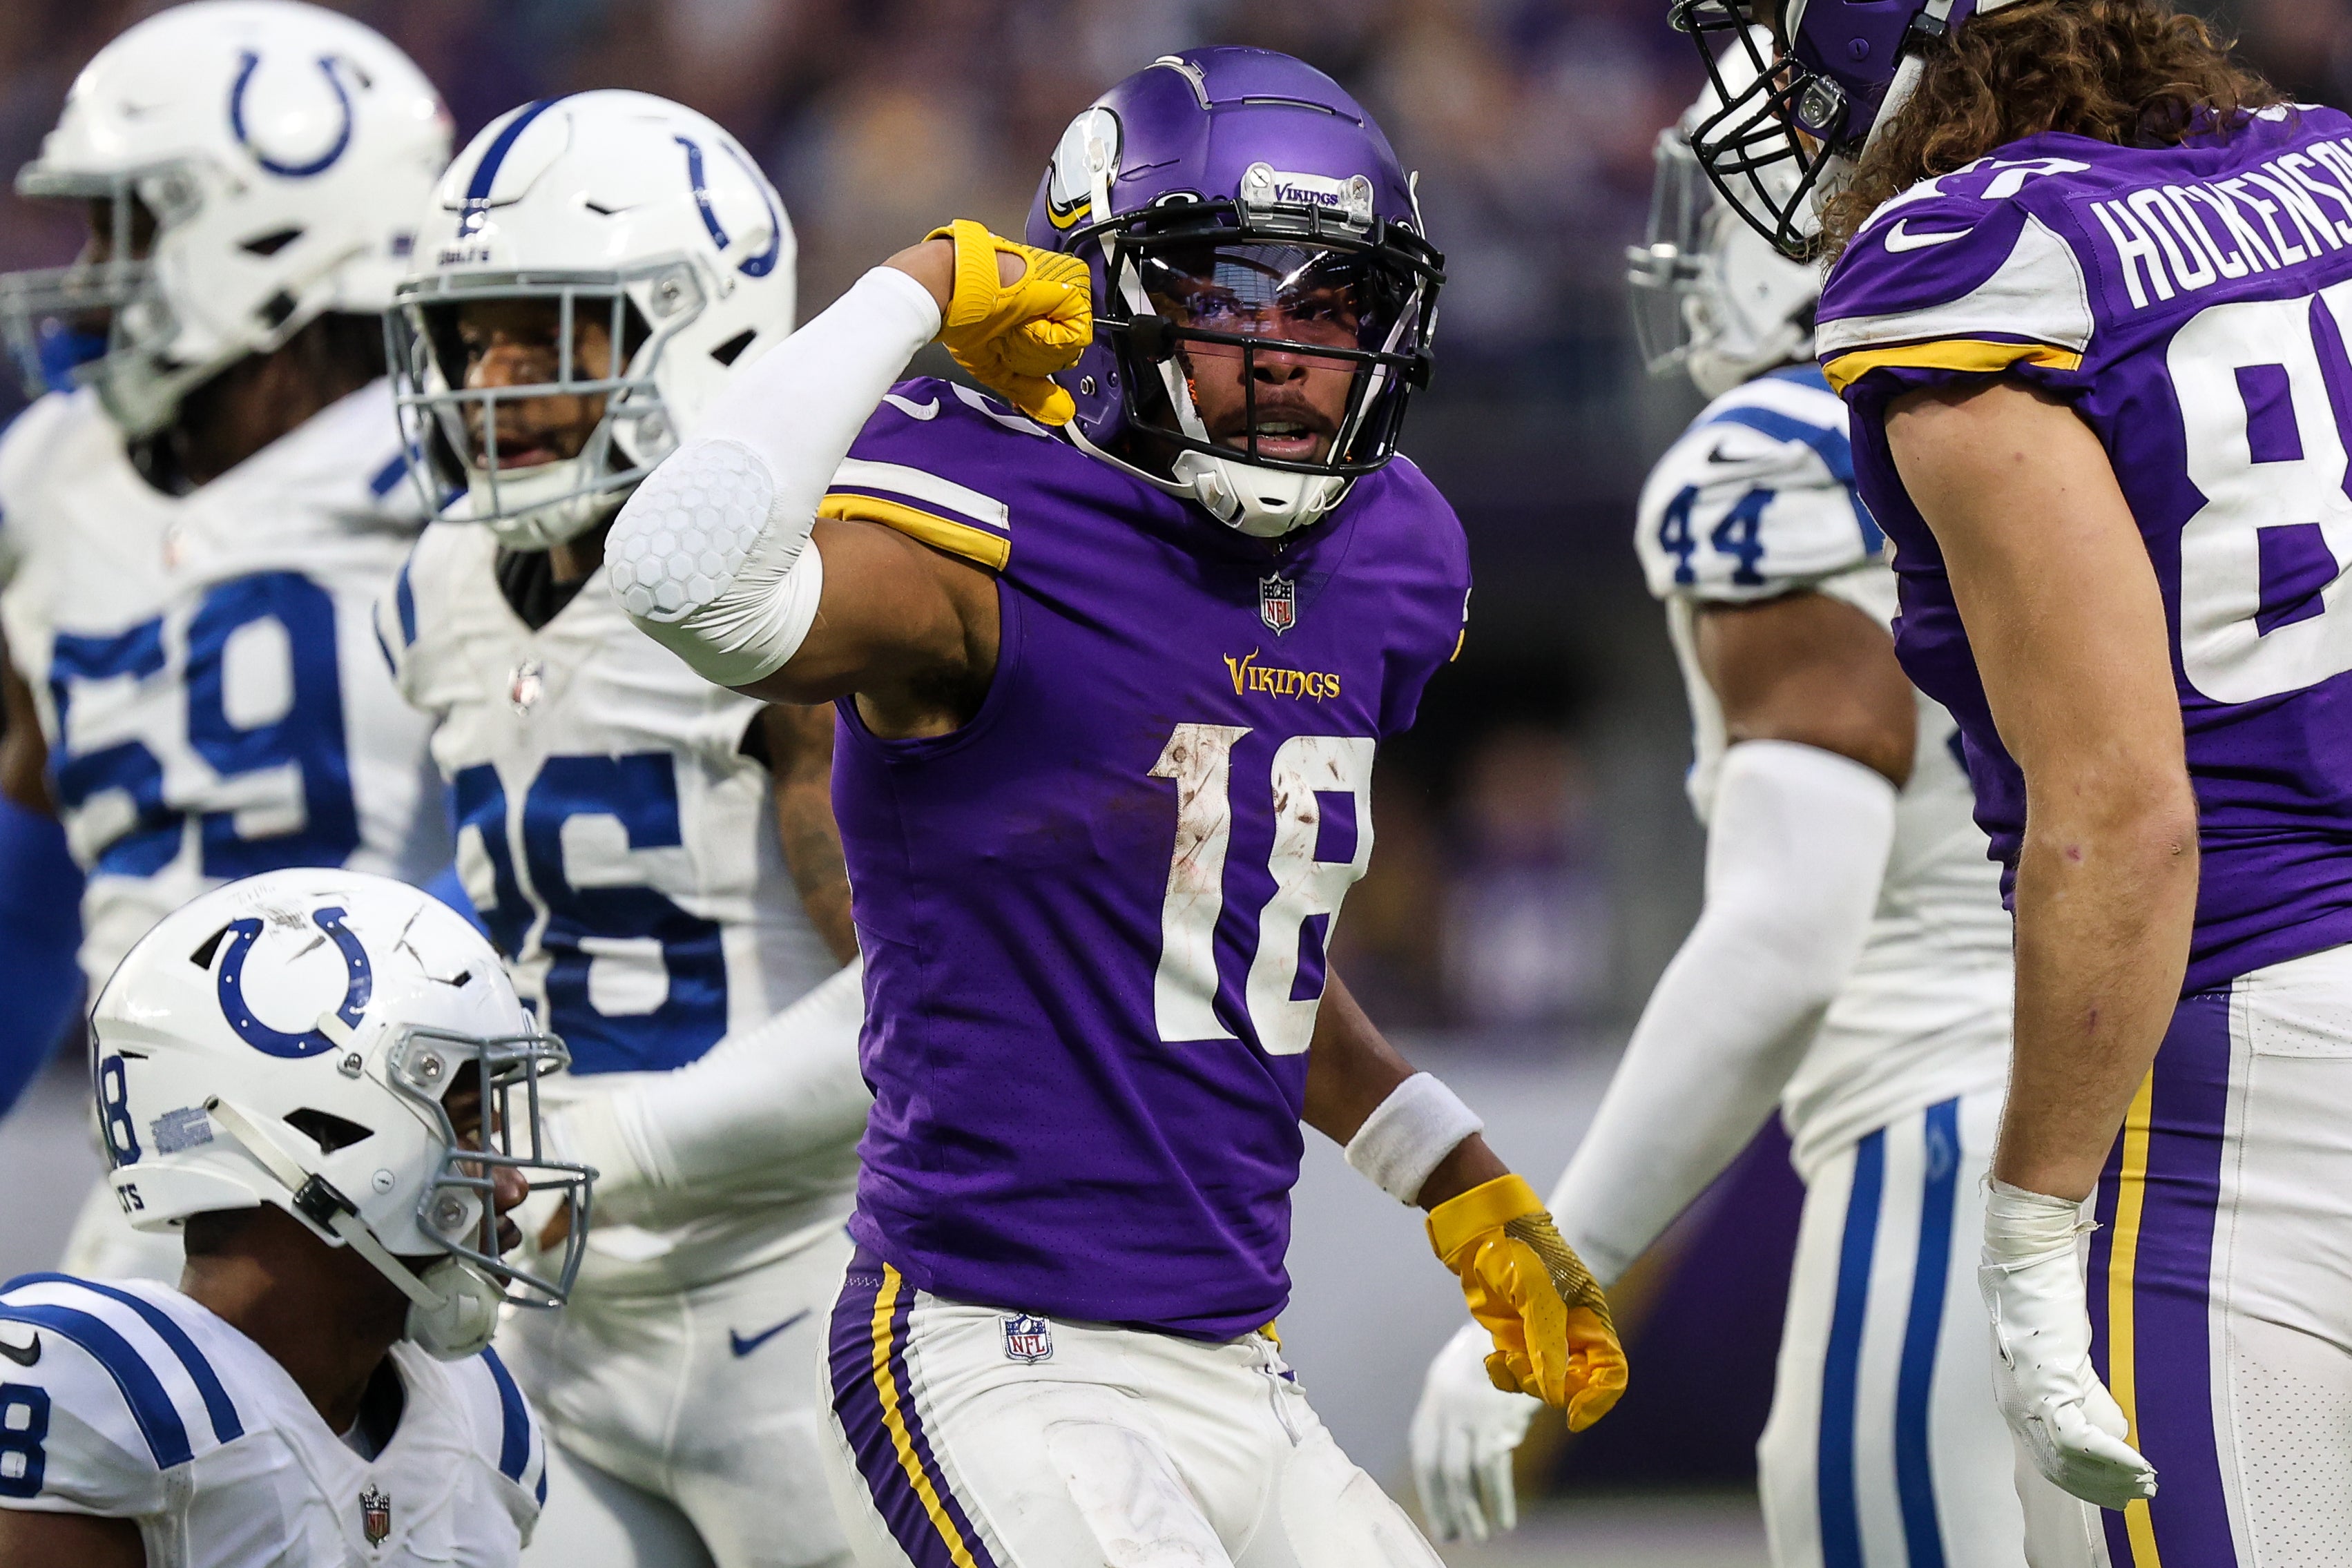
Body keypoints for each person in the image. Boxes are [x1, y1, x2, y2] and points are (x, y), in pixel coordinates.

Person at [602, 46, 1627, 1568]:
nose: (1284, 354)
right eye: (1225, 294)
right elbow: (680, 577)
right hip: (991, 1350)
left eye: (1330, 301)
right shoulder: (977, 528)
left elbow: (1218, 929)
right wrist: (912, 288)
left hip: (1242, 1368)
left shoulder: (1394, 552)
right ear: (1097, 296)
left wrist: (1448, 1168)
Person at [1681, 0, 2352, 1562]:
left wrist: (2032, 1216)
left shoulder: (1963, 269)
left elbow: (2122, 814)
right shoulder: (2321, 166)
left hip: (2232, 1063)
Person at [1412, 68, 2050, 1565]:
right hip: (2188, 1122)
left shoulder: (1780, 441)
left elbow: (1783, 932)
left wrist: (1551, 1272)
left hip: (1951, 1135)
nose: (1694, 241)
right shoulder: (2087, 387)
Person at [378, 90, 869, 1568]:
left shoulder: (799, 577)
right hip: (554, 1312)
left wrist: (628, 1138)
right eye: (475, 337)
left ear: (699, 336)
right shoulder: (439, 581)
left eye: (547, 334)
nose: (493, 380)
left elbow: (930, 993)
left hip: (803, 1289)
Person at [0, 0, 454, 1277]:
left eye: (128, 226)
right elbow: (39, 847)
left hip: (419, 1137)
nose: (88, 269)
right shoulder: (51, 474)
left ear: (268, 225)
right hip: (149, 1170)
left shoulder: (450, 468)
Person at [0, 865, 592, 1567]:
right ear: (320, 1141)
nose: (514, 1188)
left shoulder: (484, 1423)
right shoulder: (102, 1392)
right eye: (469, 1132)